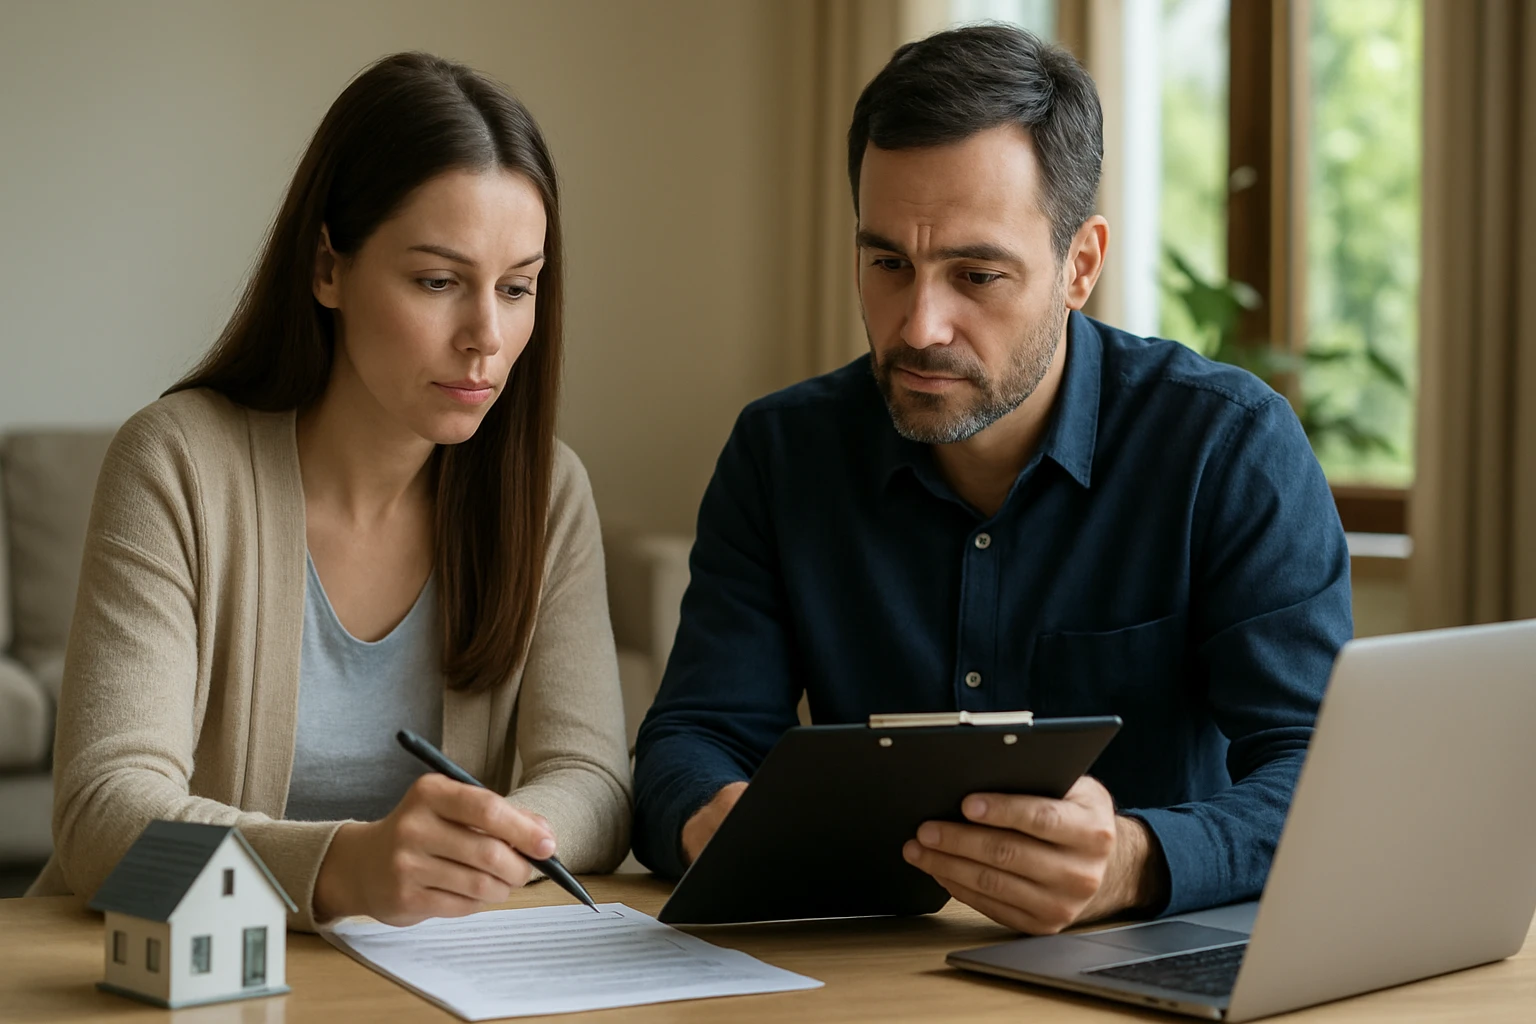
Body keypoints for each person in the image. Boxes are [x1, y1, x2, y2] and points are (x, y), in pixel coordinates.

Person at [633, 24, 1351, 934]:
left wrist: (1134, 861)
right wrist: (718, 821)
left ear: (1079, 266)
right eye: (887, 262)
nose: (921, 323)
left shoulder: (1227, 446)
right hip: (866, 977)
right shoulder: (782, 455)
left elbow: (1323, 772)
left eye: (976, 274)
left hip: (1144, 965)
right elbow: (689, 738)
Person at [28, 53, 631, 930]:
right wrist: (341, 869)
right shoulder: (176, 465)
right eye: (437, 281)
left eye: (517, 288)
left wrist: (497, 843)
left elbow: (596, 787)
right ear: (327, 269)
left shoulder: (546, 493)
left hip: (432, 982)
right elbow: (102, 814)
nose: (487, 338)